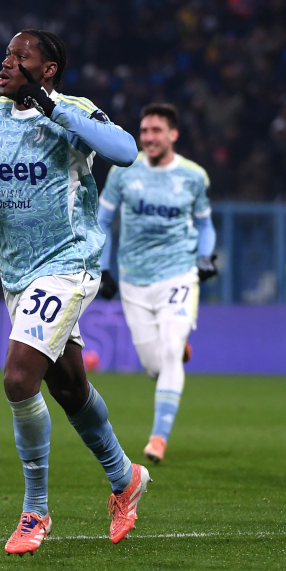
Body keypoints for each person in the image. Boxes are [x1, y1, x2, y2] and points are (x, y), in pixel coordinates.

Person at [0, 29, 148, 557]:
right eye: (6, 55)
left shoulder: (74, 111)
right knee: (70, 388)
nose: (6, 63)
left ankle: (36, 510)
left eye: (20, 56)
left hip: (68, 265)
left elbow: (126, 150)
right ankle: (125, 478)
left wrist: (53, 109)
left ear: (47, 69)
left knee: (18, 378)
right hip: (17, 274)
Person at [97, 103, 217, 464]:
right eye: (144, 131)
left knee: (169, 351)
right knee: (155, 366)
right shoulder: (123, 171)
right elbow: (102, 221)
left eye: (156, 131)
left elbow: (205, 225)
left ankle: (158, 438)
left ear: (172, 135)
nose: (148, 137)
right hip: (134, 279)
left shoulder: (193, 176)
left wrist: (205, 256)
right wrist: (103, 268)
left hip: (178, 274)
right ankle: (177, 350)